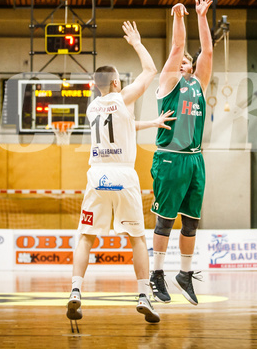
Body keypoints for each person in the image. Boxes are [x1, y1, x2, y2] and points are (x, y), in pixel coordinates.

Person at [67, 21, 175, 325]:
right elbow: (150, 70)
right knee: (137, 238)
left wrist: (150, 124)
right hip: (124, 176)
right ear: (116, 83)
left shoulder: (92, 109)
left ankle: (75, 290)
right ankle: (143, 294)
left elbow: (121, 124)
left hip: (97, 176)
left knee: (86, 237)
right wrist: (137, 43)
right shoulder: (123, 97)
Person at [149, 0, 213, 305]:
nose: (185, 63)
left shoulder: (199, 85)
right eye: (182, 62)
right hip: (170, 159)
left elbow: (209, 51)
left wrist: (202, 15)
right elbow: (176, 48)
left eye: (189, 61)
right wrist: (179, 18)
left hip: (195, 159)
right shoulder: (167, 82)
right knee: (165, 221)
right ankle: (157, 272)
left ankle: (184, 274)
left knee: (191, 222)